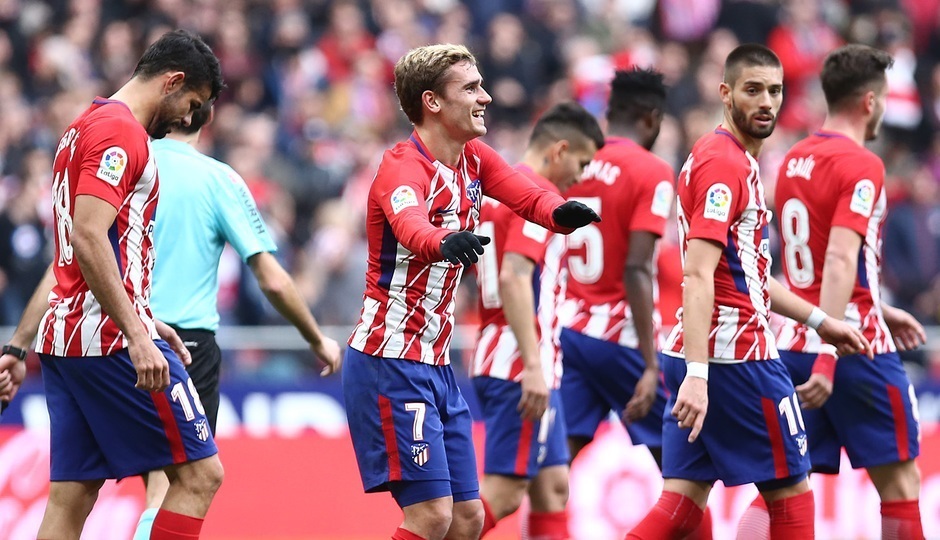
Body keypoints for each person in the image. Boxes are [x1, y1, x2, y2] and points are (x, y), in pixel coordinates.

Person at [341, 43, 600, 540]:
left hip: (437, 365)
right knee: (432, 515)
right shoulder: (401, 166)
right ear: (433, 102)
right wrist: (443, 241)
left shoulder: (473, 158)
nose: (485, 97)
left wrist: (557, 213)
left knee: (469, 518)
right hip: (389, 359)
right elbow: (411, 222)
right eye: (471, 88)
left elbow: (523, 190)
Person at [626, 44, 871, 540]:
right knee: (793, 498)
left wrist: (822, 323)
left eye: (775, 91)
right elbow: (697, 275)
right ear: (725, 93)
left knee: (680, 505)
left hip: (700, 353)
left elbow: (750, 278)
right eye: (753, 89)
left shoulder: (727, 157)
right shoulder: (725, 165)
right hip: (736, 360)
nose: (766, 101)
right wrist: (698, 375)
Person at [0, 29, 224, 540]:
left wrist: (148, 319)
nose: (189, 119)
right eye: (193, 104)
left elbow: (71, 257)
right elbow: (87, 235)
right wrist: (137, 333)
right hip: (108, 341)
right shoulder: (120, 133)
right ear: (173, 81)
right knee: (201, 474)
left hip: (71, 337)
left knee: (72, 497)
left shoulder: (82, 126)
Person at [737, 44, 925, 540]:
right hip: (849, 346)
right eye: (885, 99)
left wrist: (882, 305)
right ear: (869, 102)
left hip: (792, 342)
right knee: (901, 483)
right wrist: (831, 350)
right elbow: (839, 257)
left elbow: (809, 262)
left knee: (781, 491)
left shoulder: (794, 158)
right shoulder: (862, 164)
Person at [131, 105, 343, 538]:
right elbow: (273, 280)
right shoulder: (218, 179)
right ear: (203, 114)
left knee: (117, 486)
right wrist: (315, 336)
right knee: (177, 486)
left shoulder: (127, 168)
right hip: (182, 348)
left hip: (120, 334)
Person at [560, 67, 711, 538]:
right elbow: (637, 267)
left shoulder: (573, 163)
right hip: (623, 340)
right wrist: (650, 363)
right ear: (652, 118)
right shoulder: (651, 170)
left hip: (570, 334)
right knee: (689, 474)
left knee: (545, 473)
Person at [470, 101, 604, 539]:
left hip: (511, 354)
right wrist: (532, 365)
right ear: (559, 150)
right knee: (504, 495)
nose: (581, 176)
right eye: (582, 162)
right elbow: (513, 275)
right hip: (519, 363)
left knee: (553, 488)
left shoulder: (498, 188)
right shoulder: (534, 193)